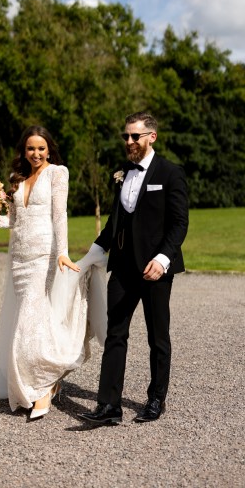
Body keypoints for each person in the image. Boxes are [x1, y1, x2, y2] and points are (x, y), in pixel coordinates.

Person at [0, 125, 107, 419]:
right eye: (30, 148)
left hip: (44, 258)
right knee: (27, 323)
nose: (35, 153)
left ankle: (41, 388)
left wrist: (62, 252)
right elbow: (14, 219)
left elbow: (59, 215)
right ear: (23, 151)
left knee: (30, 324)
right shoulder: (16, 178)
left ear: (49, 149)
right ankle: (44, 385)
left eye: (40, 148)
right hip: (19, 259)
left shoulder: (57, 173)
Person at [78, 112, 189, 425]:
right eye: (126, 136)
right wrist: (87, 258)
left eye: (135, 136)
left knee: (158, 337)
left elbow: (180, 223)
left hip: (155, 270)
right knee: (115, 335)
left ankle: (156, 399)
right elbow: (115, 223)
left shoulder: (170, 173)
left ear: (151, 136)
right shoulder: (121, 173)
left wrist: (164, 259)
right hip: (123, 269)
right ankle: (109, 405)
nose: (129, 141)